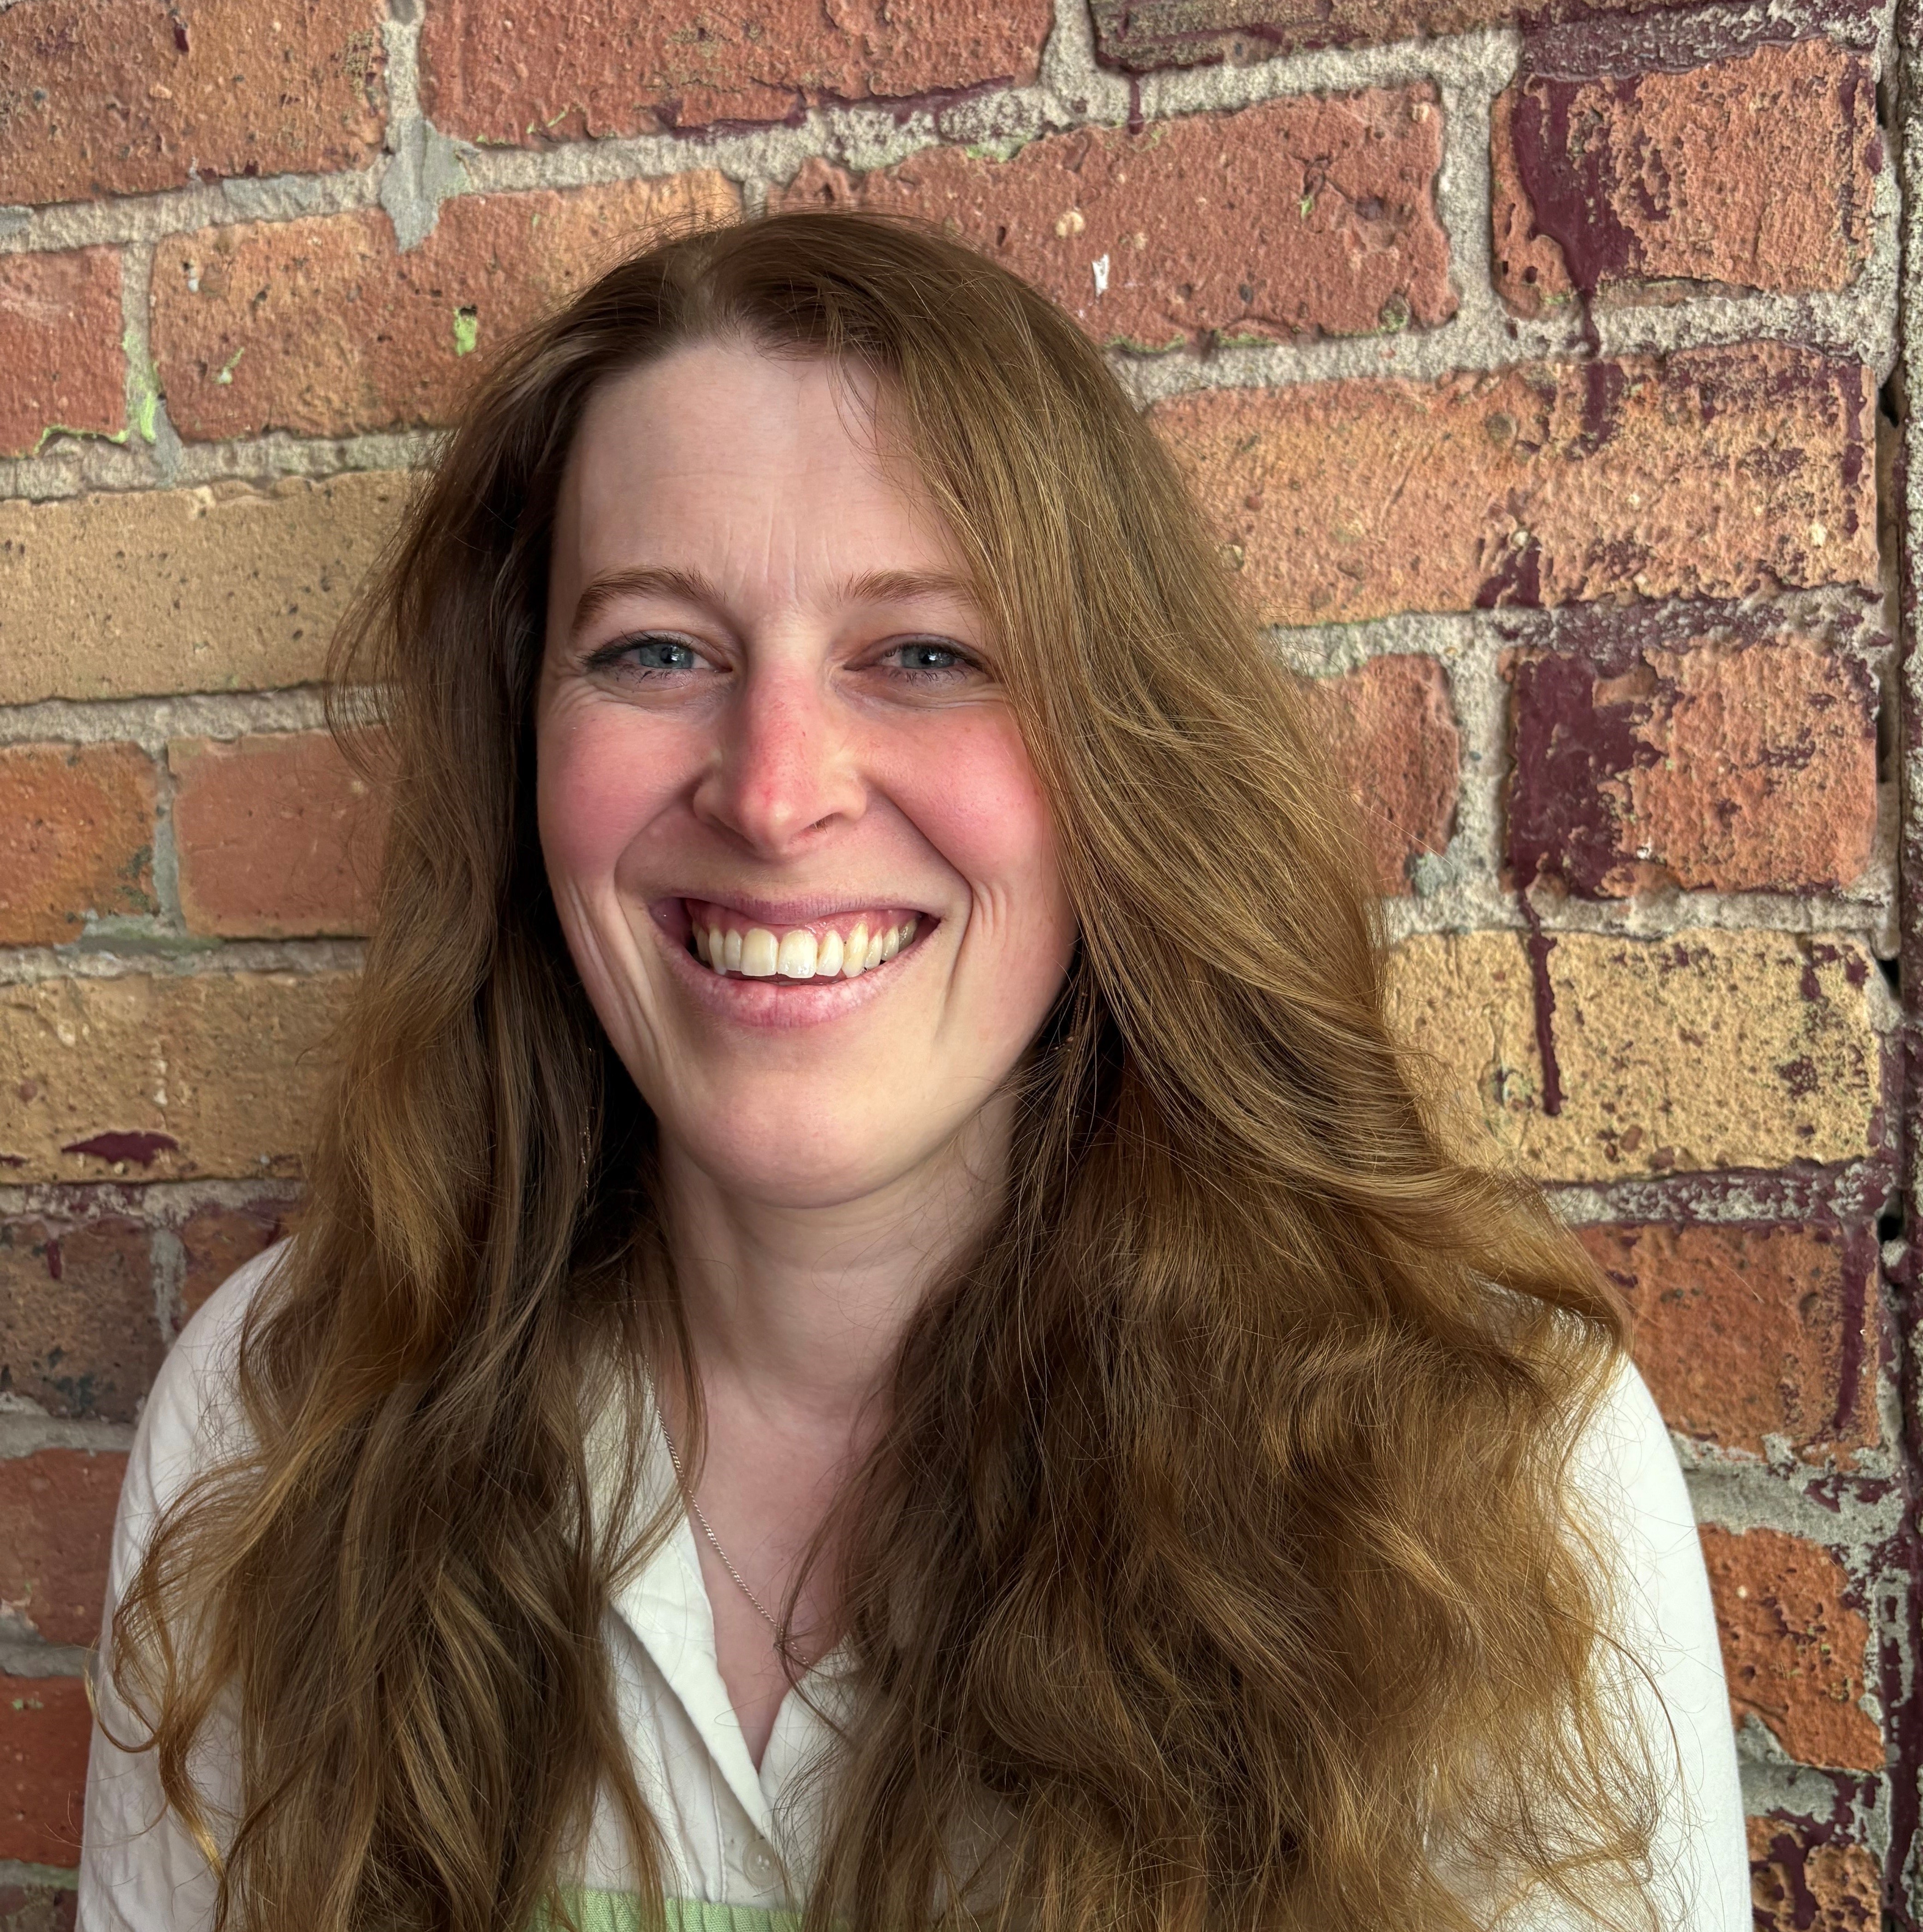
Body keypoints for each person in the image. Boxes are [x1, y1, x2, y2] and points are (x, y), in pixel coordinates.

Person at [79, 209, 1748, 1932]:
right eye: (656, 650)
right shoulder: (279, 1420)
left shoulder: (1478, 1471)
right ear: (525, 741)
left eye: (927, 656)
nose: (774, 789)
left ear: (1118, 757)